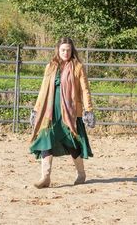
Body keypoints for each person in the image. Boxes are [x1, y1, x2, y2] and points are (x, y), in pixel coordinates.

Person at [29, 37, 95, 189]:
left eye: (68, 50)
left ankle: (81, 173)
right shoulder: (51, 66)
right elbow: (43, 89)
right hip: (50, 111)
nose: (65, 52)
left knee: (72, 144)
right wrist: (36, 109)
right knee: (46, 141)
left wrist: (88, 110)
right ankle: (45, 177)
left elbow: (85, 90)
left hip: (70, 112)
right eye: (63, 50)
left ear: (72, 51)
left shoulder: (78, 67)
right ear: (58, 50)